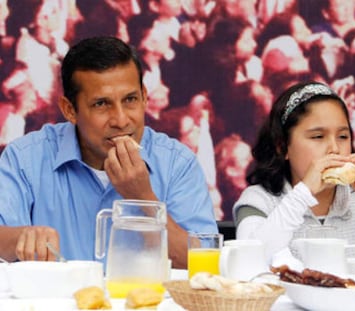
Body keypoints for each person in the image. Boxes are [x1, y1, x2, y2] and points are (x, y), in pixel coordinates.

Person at [0, 36, 218, 268]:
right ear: (69, 110)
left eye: (130, 100)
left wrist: (142, 198)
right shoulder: (24, 159)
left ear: (145, 97)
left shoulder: (177, 163)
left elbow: (204, 265)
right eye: (101, 104)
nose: (121, 120)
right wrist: (22, 238)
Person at [233, 81, 355, 270]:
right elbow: (249, 262)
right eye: (318, 137)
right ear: (282, 147)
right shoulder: (258, 200)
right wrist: (303, 194)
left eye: (343, 137)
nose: (334, 148)